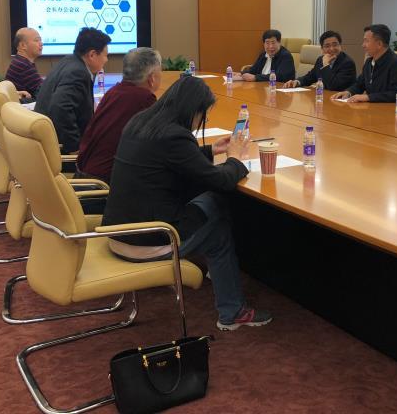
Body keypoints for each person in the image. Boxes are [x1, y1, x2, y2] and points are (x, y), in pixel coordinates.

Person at [103, 76, 272, 331]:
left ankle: (219, 273)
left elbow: (168, 159)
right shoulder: (175, 136)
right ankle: (233, 311)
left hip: (117, 233)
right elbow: (222, 181)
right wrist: (235, 159)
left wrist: (209, 151)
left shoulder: (140, 122)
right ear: (193, 110)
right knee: (218, 219)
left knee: (210, 205)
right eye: (203, 115)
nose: (201, 121)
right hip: (149, 242)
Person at [76, 48, 162, 182]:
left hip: (83, 175)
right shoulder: (144, 98)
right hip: (105, 183)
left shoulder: (113, 92)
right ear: (152, 78)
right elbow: (160, 141)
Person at [35, 27, 110, 154]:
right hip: (58, 149)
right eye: (105, 55)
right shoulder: (78, 72)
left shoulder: (69, 61)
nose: (106, 60)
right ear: (92, 55)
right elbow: (60, 107)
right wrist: (75, 148)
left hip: (47, 141)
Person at [331, 24, 397, 103]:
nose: (363, 45)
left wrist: (368, 97)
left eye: (366, 41)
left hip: (394, 109)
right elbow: (359, 84)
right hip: (373, 108)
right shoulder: (369, 62)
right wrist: (348, 92)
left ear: (379, 44)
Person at [284, 30, 357, 91]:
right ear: (322, 49)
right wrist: (297, 82)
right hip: (324, 98)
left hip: (340, 100)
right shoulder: (320, 60)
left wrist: (325, 65)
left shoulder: (347, 63)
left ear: (340, 46)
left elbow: (334, 87)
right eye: (327, 46)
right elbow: (310, 77)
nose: (332, 49)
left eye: (335, 45)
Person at [5, 27, 43, 99]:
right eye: (36, 40)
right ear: (23, 45)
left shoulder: (20, 61)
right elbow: (45, 91)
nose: (41, 43)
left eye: (40, 40)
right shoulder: (23, 65)